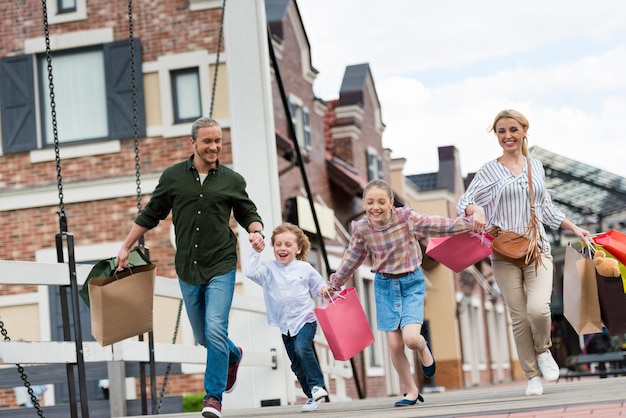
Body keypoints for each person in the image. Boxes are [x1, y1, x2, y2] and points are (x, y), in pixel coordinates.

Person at [115, 117, 265, 418]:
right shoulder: (173, 177)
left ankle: (213, 399)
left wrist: (256, 231)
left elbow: (247, 211)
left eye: (218, 141)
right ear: (193, 142)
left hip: (221, 263)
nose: (214, 146)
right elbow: (151, 213)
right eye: (208, 141)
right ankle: (233, 355)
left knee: (214, 328)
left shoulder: (231, 180)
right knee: (203, 336)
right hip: (188, 267)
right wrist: (126, 245)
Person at [457, 109, 591, 396]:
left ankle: (543, 350)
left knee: (538, 310)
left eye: (513, 130)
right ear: (496, 136)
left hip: (537, 247)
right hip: (503, 252)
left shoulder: (536, 167)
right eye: (501, 131)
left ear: (524, 131)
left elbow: (546, 208)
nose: (507, 136)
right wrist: (476, 209)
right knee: (518, 316)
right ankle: (532, 377)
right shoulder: (489, 170)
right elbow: (464, 202)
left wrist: (575, 228)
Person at [322, 179, 476, 407]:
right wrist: (335, 283)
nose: (375, 207)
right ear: (364, 203)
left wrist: (469, 224)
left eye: (381, 202)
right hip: (384, 286)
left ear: (391, 202)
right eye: (370, 202)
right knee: (394, 345)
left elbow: (437, 225)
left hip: (411, 282)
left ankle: (423, 347)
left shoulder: (406, 218)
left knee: (411, 338)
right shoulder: (362, 228)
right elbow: (352, 258)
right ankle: (411, 390)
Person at [244, 222, 329, 412]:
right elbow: (249, 272)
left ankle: (317, 385)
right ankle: (311, 396)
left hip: (305, 319)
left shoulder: (305, 268)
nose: (282, 248)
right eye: (278, 244)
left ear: (298, 248)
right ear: (273, 246)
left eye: (288, 245)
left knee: (302, 347)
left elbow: (319, 288)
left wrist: (327, 289)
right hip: (285, 325)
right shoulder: (267, 270)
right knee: (296, 364)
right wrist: (255, 251)